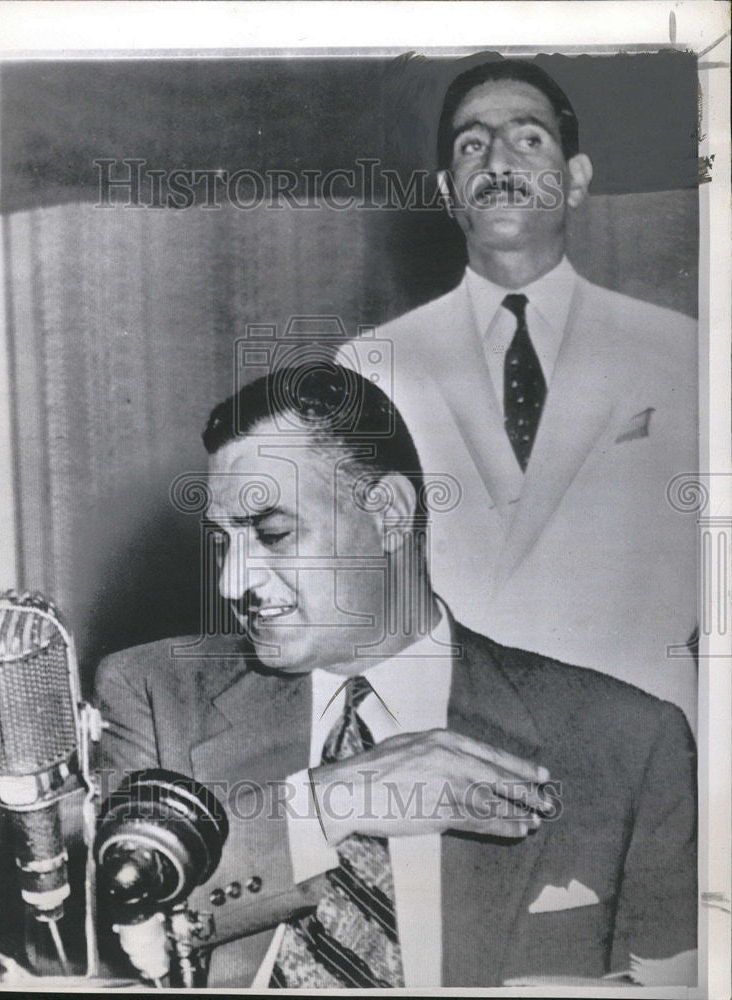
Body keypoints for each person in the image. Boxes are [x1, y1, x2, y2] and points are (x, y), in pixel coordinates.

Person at [94, 364, 696, 988]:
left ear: (388, 513)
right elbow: (96, 928)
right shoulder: (153, 693)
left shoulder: (628, 740)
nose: (231, 582)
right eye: (223, 541)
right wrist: (325, 803)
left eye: (273, 533)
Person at [352, 58, 699, 726]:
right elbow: (362, 582)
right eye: (471, 144)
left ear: (575, 180)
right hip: (454, 730)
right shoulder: (374, 364)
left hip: (642, 732)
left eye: (529, 139)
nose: (498, 161)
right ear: (450, 191)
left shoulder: (680, 350)